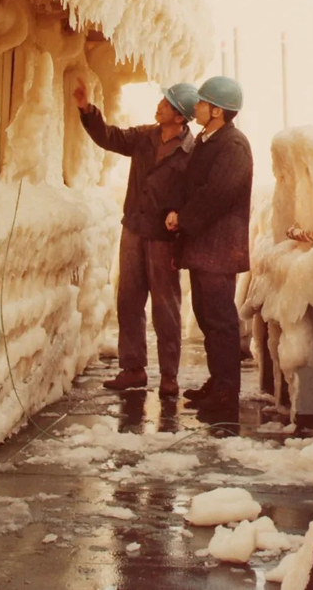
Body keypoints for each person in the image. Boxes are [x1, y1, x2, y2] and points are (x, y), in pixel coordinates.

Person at [74, 80, 199, 397]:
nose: (160, 106)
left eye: (167, 104)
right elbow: (111, 137)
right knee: (128, 299)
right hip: (133, 229)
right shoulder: (146, 136)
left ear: (180, 117)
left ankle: (169, 375)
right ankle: (133, 369)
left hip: (163, 238)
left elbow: (196, 194)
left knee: (166, 307)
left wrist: (180, 219)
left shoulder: (191, 152)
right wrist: (87, 111)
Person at [165, 76, 253, 412]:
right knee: (206, 316)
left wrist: (182, 219)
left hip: (219, 248)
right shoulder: (207, 139)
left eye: (202, 103)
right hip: (204, 247)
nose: (195, 107)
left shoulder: (233, 145)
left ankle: (227, 392)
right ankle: (218, 382)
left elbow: (216, 195)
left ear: (217, 110)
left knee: (220, 320)